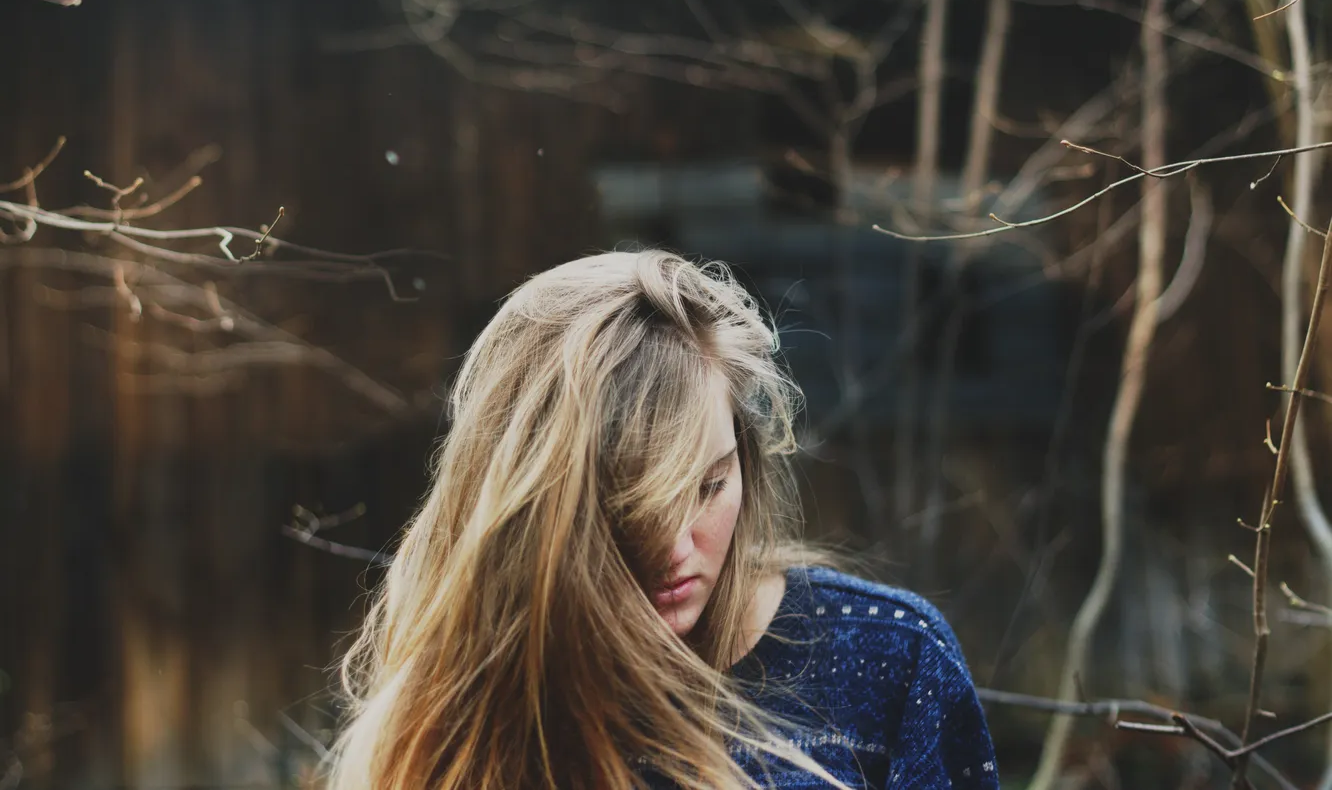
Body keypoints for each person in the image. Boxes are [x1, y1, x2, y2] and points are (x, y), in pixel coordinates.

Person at [326, 249, 1000, 790]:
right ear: (536, 511)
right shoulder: (476, 705)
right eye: (631, 503)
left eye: (708, 486)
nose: (677, 547)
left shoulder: (889, 662)